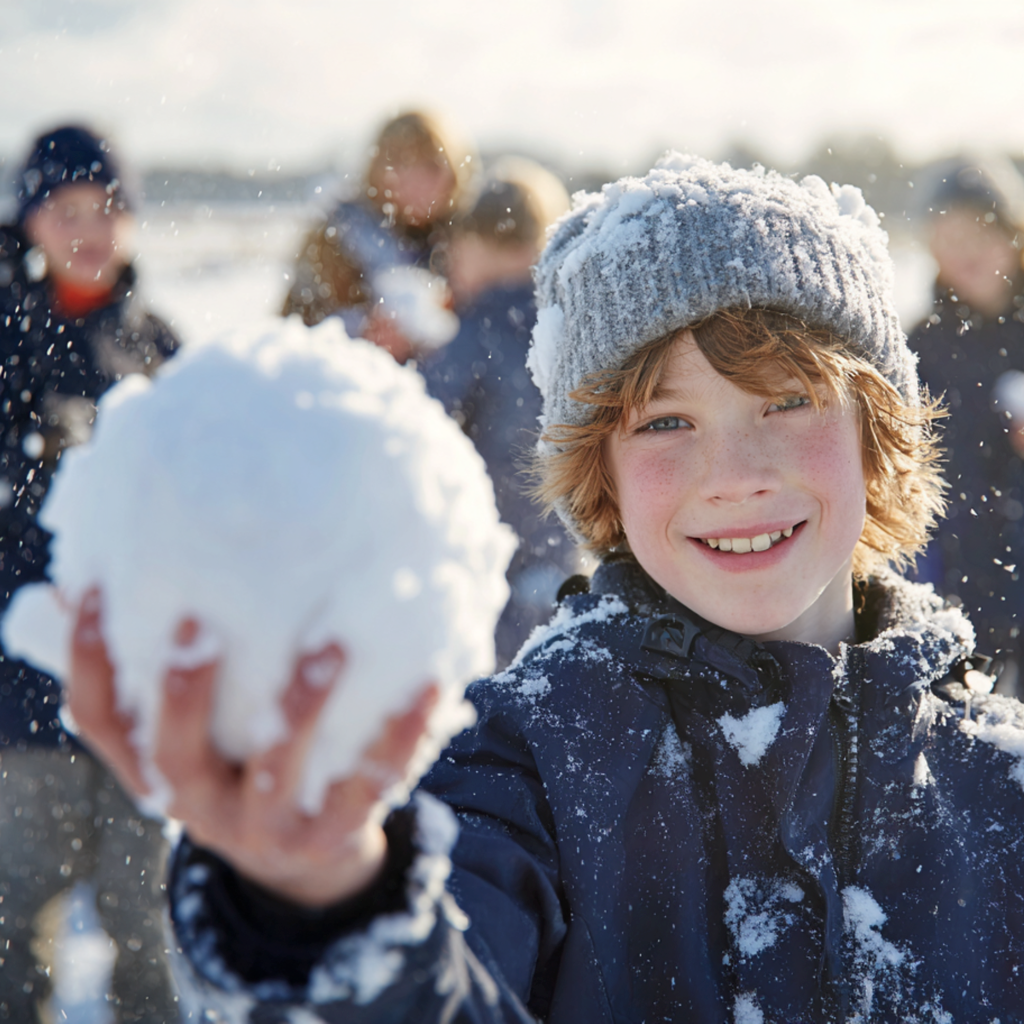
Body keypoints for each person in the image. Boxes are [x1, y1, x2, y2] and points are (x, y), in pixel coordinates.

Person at [65, 156, 1024, 1022]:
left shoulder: (995, 784)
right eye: (665, 422)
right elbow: (443, 974)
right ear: (596, 469)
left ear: (877, 431)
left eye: (788, 400)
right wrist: (328, 903)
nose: (735, 472)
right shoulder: (526, 756)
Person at [0, 125, 180, 1023]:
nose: (88, 229)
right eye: (65, 209)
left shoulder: (158, 345)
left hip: (141, 689)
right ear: (27, 220)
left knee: (143, 909)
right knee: (14, 910)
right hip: (21, 688)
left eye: (107, 209)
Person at [421, 159, 577, 665]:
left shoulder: (478, 331)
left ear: (476, 247)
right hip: (564, 553)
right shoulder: (572, 328)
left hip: (489, 554)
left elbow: (422, 422)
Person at [909, 159, 1024, 696]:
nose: (968, 248)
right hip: (960, 589)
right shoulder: (918, 349)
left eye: (981, 228)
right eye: (950, 233)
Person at [282, 110, 475, 363]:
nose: (416, 180)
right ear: (377, 171)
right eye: (402, 164)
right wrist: (358, 335)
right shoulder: (336, 238)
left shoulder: (473, 242)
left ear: (454, 173)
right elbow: (292, 333)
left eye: (431, 167)